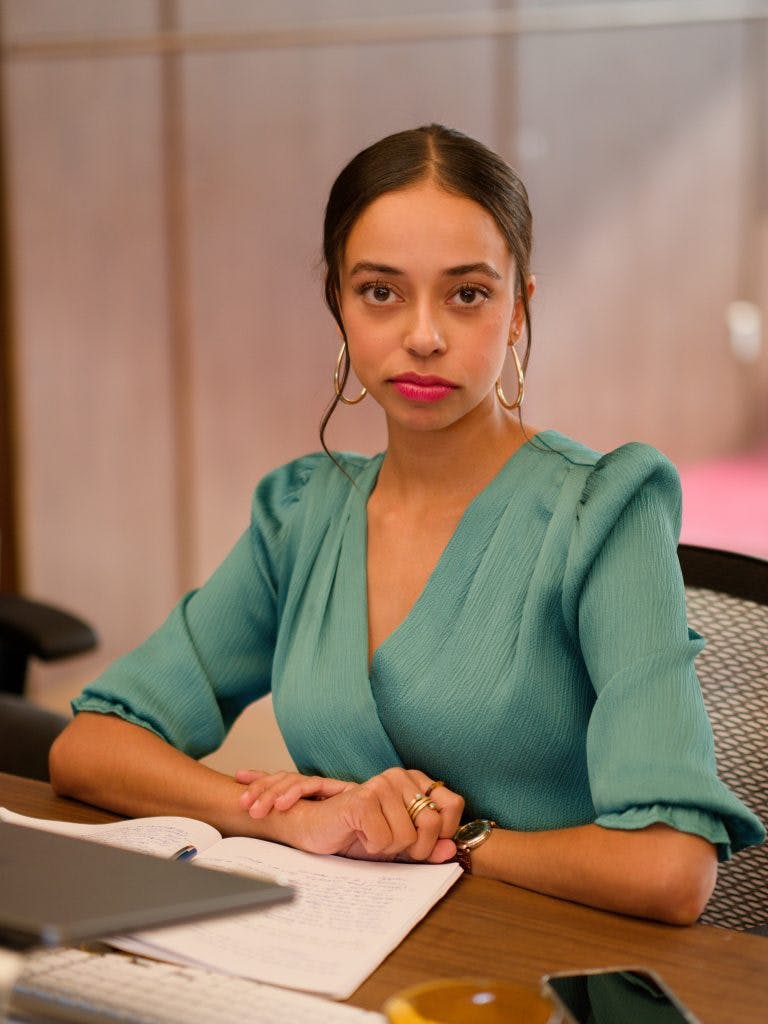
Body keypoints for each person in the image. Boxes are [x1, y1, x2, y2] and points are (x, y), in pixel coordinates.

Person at [50, 124, 764, 925]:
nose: (422, 336)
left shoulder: (604, 512)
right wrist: (295, 816)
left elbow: (672, 871)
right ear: (339, 306)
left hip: (538, 965)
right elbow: (92, 744)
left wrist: (455, 838)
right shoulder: (302, 513)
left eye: (467, 294)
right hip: (338, 947)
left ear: (519, 308)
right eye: (381, 292)